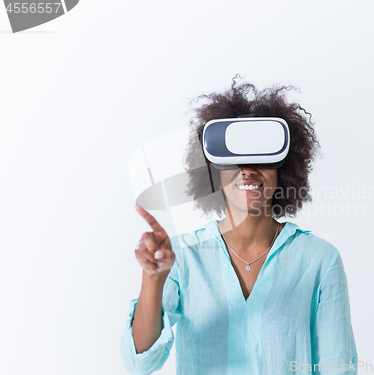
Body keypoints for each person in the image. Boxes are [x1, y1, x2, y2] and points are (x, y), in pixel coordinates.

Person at [120, 76, 358, 375]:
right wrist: (153, 278)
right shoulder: (181, 255)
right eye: (233, 160)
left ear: (284, 168)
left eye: (260, 157)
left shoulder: (319, 260)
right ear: (213, 171)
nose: (246, 170)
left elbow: (338, 369)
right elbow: (139, 362)